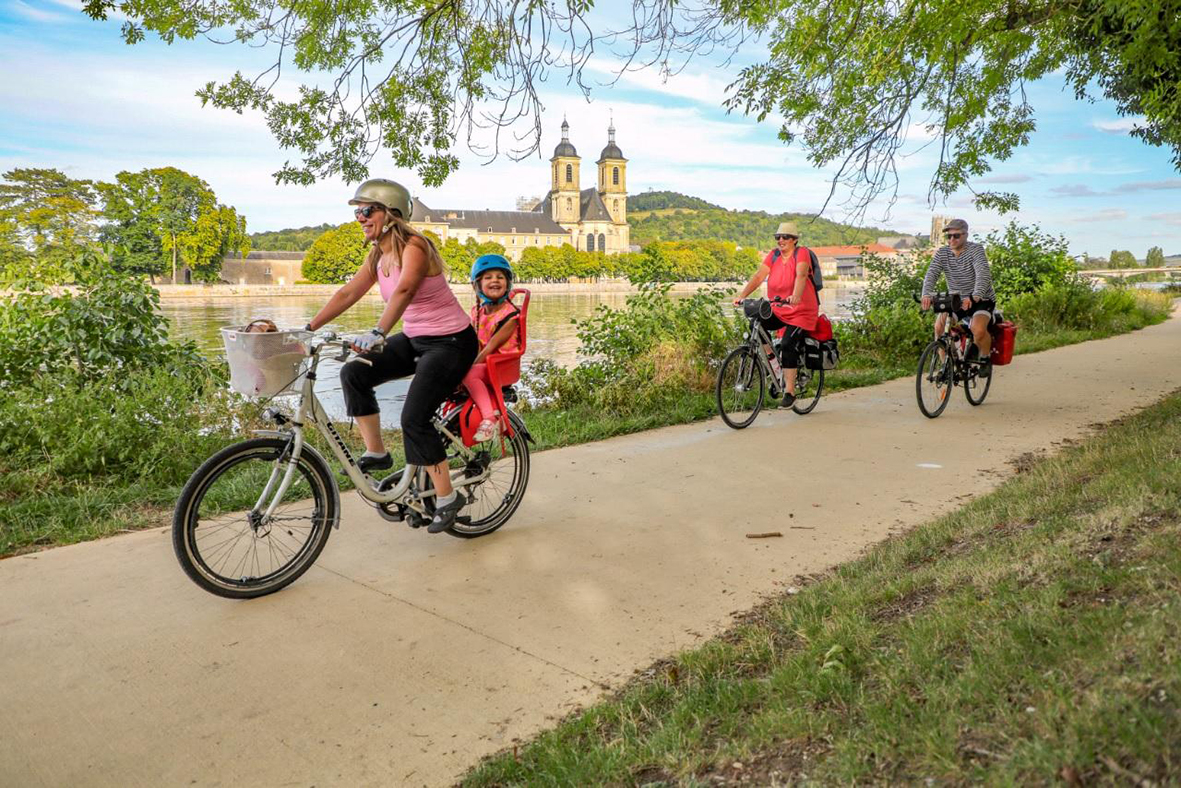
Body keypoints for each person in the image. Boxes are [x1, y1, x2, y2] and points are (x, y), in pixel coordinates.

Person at [306, 178, 477, 534]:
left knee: (414, 417)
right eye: (357, 212)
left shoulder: (416, 245)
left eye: (367, 210)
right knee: (355, 373)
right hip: (416, 339)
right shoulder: (377, 254)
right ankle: (378, 453)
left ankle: (447, 498)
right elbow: (348, 292)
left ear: (391, 213)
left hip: (451, 342)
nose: (360, 218)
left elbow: (405, 289)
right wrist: (308, 328)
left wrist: (378, 332)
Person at [732, 221, 820, 408]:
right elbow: (758, 276)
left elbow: (801, 275)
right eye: (778, 237)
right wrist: (742, 296)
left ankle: (789, 391)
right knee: (756, 324)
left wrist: (796, 295)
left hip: (801, 310)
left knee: (788, 343)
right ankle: (777, 370)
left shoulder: (801, 253)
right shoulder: (773, 256)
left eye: (785, 237)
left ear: (794, 240)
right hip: (779, 309)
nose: (781, 240)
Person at [921, 218, 996, 376]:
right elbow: (931, 274)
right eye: (949, 236)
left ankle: (984, 357)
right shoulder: (943, 253)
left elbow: (983, 275)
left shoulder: (976, 250)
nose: (952, 239)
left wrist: (975, 296)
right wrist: (926, 294)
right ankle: (947, 367)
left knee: (978, 329)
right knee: (939, 328)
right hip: (957, 300)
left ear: (966, 235)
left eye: (956, 236)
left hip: (981, 299)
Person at [462, 254, 522, 442]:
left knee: (468, 374)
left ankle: (489, 418)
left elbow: (490, 347)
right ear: (477, 285)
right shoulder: (477, 312)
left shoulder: (511, 316)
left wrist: (468, 366)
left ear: (508, 283)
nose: (494, 280)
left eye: (500, 277)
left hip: (501, 365)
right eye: (488, 277)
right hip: (485, 364)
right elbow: (472, 342)